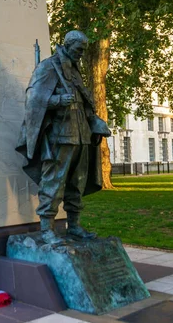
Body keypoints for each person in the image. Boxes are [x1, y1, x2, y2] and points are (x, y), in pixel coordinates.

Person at [16, 30, 110, 245]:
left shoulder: (75, 71)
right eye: (78, 50)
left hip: (81, 135)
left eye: (83, 51)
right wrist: (58, 100)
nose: (80, 54)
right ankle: (47, 228)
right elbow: (33, 99)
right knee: (54, 183)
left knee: (77, 184)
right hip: (60, 136)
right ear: (67, 46)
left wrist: (95, 123)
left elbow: (85, 101)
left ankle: (74, 226)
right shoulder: (48, 67)